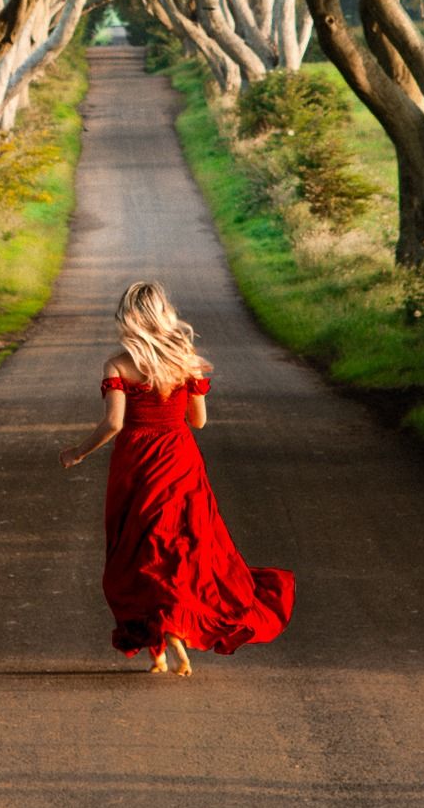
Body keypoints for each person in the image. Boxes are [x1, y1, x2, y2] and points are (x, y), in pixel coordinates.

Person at [60, 277, 294, 673]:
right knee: (183, 546)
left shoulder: (117, 364)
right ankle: (175, 630)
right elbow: (198, 422)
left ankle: (161, 645)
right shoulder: (186, 360)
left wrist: (77, 452)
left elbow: (114, 424)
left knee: (140, 548)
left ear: (128, 319)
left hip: (136, 464)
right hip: (179, 460)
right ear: (165, 315)